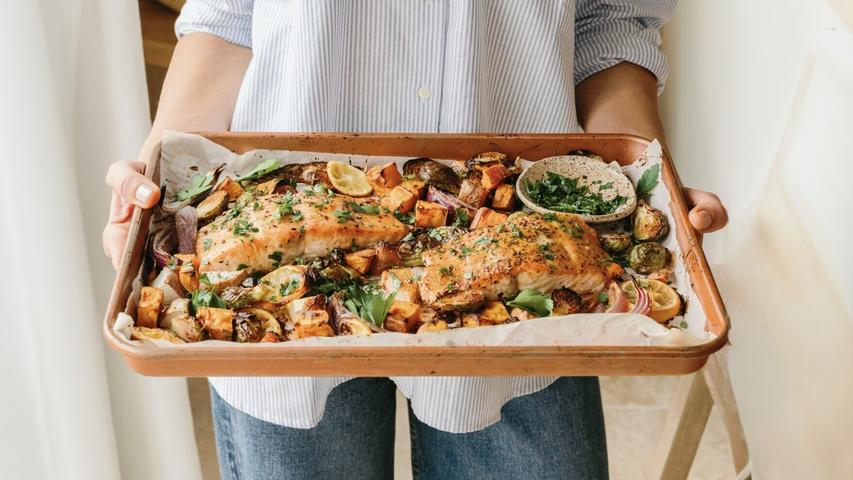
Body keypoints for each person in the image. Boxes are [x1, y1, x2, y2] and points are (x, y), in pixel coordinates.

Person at [103, 2, 728, 479]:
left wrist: (636, 183)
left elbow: (611, 20)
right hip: (270, 243)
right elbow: (229, 15)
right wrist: (160, 175)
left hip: (533, 245)